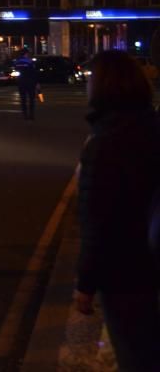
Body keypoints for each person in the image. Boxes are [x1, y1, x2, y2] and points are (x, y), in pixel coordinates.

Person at [73, 50, 160, 371]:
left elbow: (96, 222)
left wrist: (85, 285)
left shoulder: (104, 143)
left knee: (135, 353)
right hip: (153, 258)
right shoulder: (153, 127)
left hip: (124, 272)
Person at [13, 48, 39, 120]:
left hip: (21, 83)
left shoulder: (17, 62)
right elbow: (33, 73)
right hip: (30, 83)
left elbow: (16, 71)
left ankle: (25, 115)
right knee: (31, 99)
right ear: (26, 54)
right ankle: (31, 115)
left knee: (23, 99)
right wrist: (36, 83)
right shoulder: (29, 62)